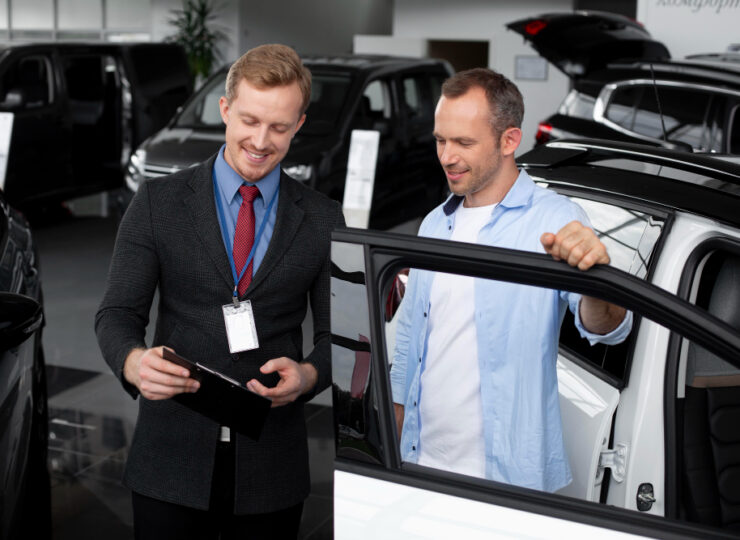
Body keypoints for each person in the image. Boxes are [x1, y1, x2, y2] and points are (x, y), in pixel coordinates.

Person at [95, 44, 344, 539]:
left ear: (299, 124)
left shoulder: (323, 218)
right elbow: (117, 313)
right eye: (250, 120)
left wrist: (310, 375)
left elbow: (341, 337)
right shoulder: (158, 202)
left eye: (279, 127)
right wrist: (133, 362)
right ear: (225, 109)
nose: (260, 141)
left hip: (272, 464)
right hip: (170, 456)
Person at [389, 68, 632, 493]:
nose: (446, 157)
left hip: (505, 481)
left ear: (509, 140)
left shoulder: (557, 219)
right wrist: (393, 446)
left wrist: (595, 278)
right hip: (418, 462)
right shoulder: (434, 224)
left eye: (464, 142)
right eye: (441, 140)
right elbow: (411, 338)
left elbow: (609, 328)